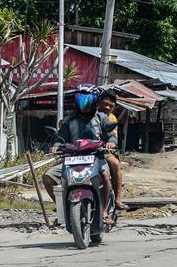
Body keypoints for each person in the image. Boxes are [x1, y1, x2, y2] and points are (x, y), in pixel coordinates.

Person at [43, 84, 117, 225]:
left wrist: (111, 143)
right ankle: (64, 209)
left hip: (96, 157)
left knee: (106, 177)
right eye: (81, 99)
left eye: (87, 99)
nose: (84, 103)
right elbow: (60, 138)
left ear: (95, 100)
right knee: (48, 177)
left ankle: (104, 211)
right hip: (72, 159)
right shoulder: (69, 120)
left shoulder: (101, 118)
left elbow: (111, 135)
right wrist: (56, 146)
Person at [97, 89, 127, 210]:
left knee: (115, 164)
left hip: (104, 152)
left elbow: (112, 136)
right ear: (99, 102)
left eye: (111, 105)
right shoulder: (90, 114)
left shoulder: (112, 119)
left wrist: (110, 143)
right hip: (85, 151)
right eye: (105, 104)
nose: (107, 107)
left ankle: (118, 200)